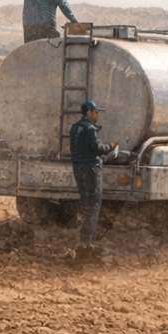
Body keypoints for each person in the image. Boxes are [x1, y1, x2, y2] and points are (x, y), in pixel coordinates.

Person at [68, 99, 116, 262]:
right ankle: (87, 243)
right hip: (90, 169)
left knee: (85, 203)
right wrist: (111, 146)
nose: (97, 115)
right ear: (89, 112)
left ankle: (84, 240)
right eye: (96, 112)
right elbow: (97, 148)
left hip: (78, 168)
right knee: (93, 203)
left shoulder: (75, 128)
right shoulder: (90, 129)